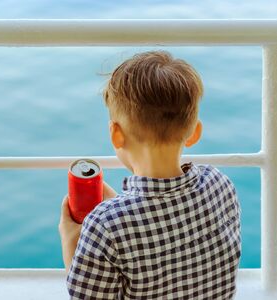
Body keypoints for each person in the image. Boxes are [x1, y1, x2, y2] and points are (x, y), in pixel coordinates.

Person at [58, 50, 241, 299]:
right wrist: (114, 208)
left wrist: (71, 245)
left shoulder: (105, 226)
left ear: (116, 134)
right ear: (194, 132)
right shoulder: (220, 185)